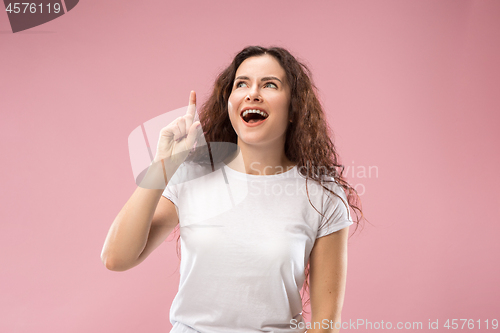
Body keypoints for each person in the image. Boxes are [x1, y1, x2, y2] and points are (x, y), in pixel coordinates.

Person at [101, 46, 365, 333]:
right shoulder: (191, 175)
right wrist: (162, 166)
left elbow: (325, 326)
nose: (253, 93)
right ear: (229, 103)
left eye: (270, 85)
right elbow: (116, 258)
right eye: (242, 84)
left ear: (293, 109)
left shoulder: (322, 196)